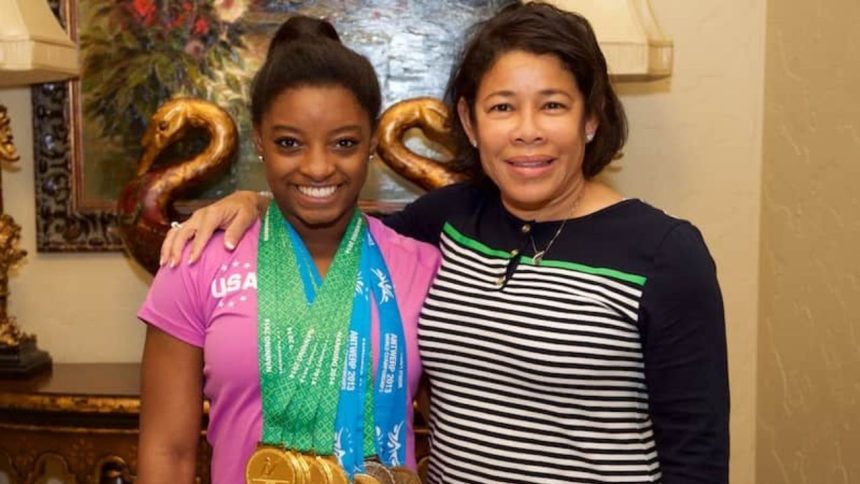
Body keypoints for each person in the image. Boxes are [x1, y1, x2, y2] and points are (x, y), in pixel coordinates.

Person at [163, 3, 730, 483]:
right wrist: (252, 201)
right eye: (502, 106)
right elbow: (332, 214)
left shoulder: (665, 254)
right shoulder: (450, 222)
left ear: (591, 118)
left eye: (553, 104)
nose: (527, 129)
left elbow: (697, 457)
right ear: (471, 118)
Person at [137, 15, 439, 484]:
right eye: (289, 143)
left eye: (343, 142)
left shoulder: (424, 267)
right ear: (259, 140)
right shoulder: (197, 261)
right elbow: (167, 454)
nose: (318, 167)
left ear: (371, 144)